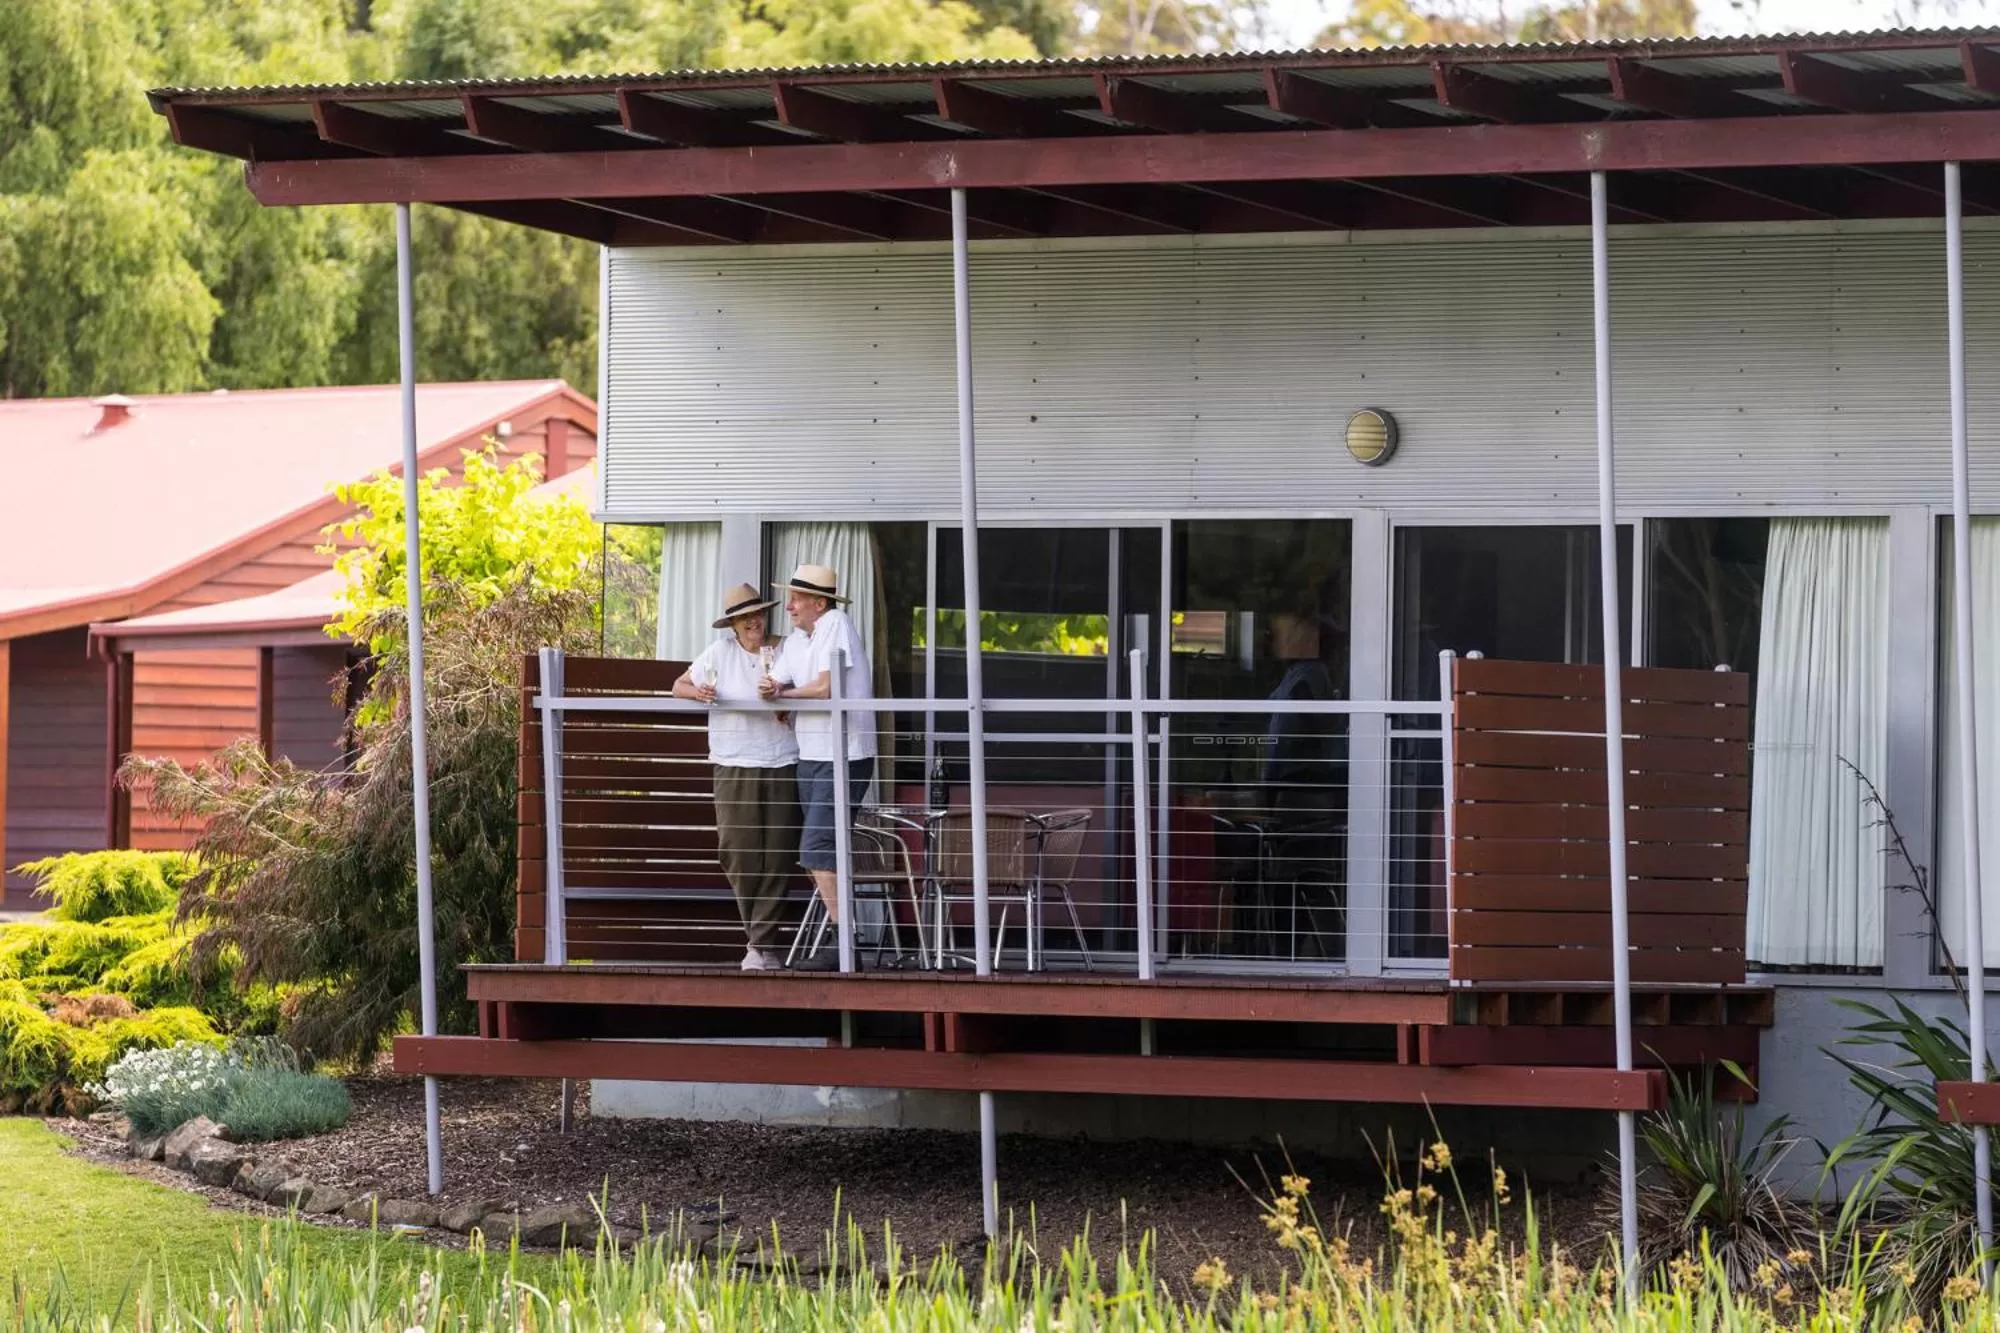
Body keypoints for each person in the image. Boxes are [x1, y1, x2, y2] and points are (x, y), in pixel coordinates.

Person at [674, 583, 800, 972]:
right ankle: (760, 943)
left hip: (782, 761)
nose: (754, 622)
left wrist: (786, 702)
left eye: (758, 614)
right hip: (732, 761)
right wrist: (701, 693)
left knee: (779, 854)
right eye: (745, 617)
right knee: (737, 852)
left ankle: (759, 947)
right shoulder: (719, 653)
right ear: (732, 623)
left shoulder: (785, 649)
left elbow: (805, 691)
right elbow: (678, 686)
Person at [759, 562, 875, 967]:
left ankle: (846, 944)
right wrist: (775, 693)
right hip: (810, 754)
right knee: (817, 850)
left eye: (796, 598)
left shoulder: (836, 622)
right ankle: (842, 938)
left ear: (819, 603)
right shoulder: (795, 640)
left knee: (817, 846)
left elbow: (826, 686)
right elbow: (782, 685)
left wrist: (784, 696)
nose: (788, 606)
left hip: (843, 754)